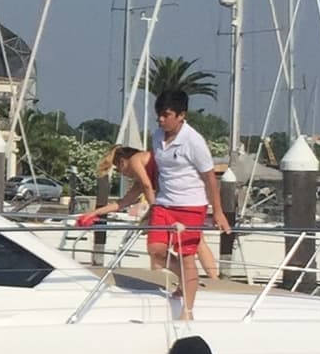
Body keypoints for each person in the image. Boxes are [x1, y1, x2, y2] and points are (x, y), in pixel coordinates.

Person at [76, 141, 223, 287]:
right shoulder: (140, 174)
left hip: (180, 197)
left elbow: (147, 186)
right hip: (187, 195)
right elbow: (123, 203)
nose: (123, 174)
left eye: (119, 169)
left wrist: (155, 210)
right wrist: (94, 213)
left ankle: (190, 277)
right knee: (194, 241)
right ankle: (211, 279)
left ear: (122, 162)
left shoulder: (135, 160)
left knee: (161, 245)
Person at [147, 89, 229, 316]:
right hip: (164, 202)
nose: (161, 120)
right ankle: (184, 278)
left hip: (191, 205)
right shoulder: (156, 137)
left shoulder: (193, 141)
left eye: (166, 115)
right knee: (155, 250)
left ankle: (188, 309)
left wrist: (218, 212)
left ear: (181, 115)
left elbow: (209, 178)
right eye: (159, 116)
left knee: (186, 255)